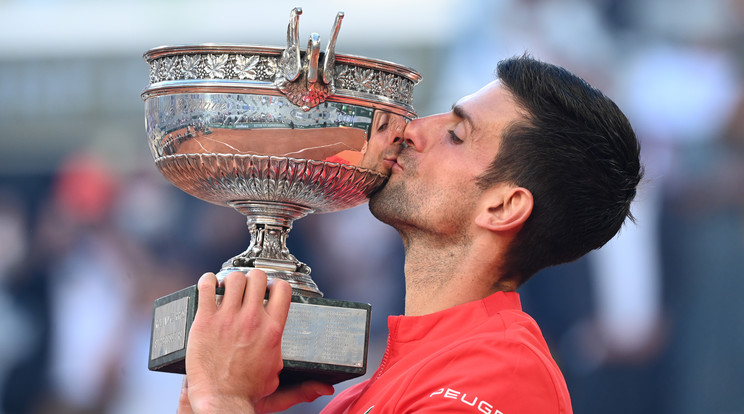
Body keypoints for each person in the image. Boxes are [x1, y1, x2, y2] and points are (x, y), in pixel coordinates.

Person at [176, 54, 642, 413]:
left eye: (457, 135)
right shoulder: (366, 392)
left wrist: (223, 397)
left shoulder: (499, 374)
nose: (413, 130)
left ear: (502, 206)